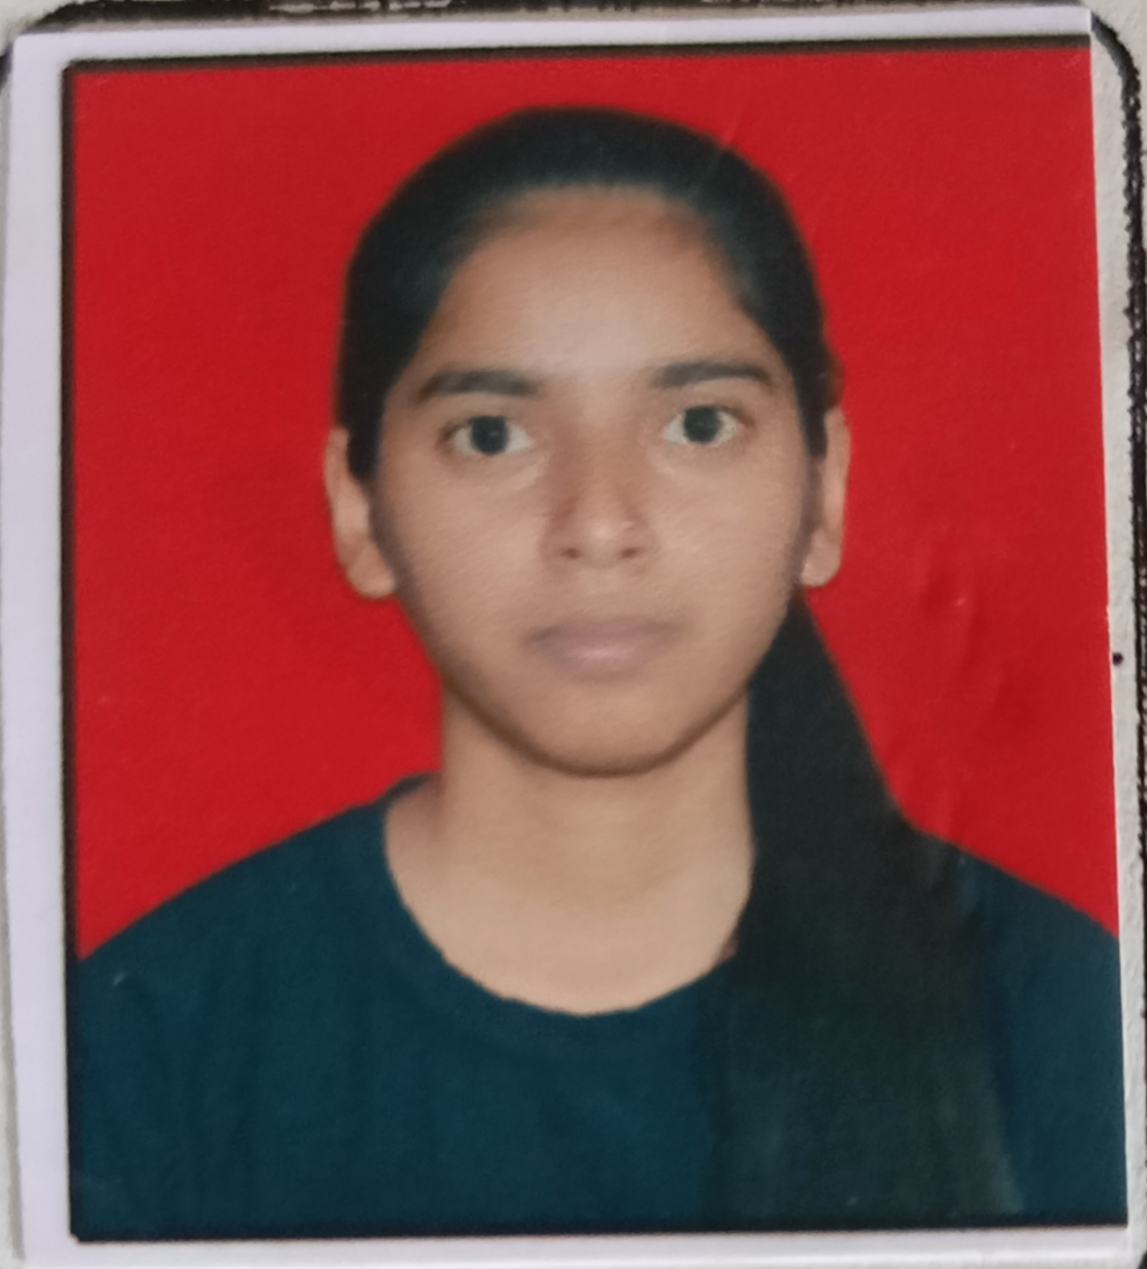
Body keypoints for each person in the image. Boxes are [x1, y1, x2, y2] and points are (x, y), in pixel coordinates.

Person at [70, 106, 1127, 1241]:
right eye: (491, 435)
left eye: (699, 424)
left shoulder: (1064, 1022)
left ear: (822, 495)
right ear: (359, 508)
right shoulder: (138, 1049)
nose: (599, 523)